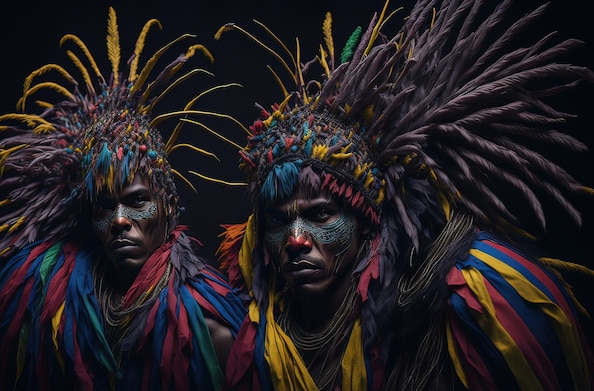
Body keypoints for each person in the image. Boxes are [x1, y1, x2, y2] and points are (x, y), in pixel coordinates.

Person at [214, 0, 594, 389]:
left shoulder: (456, 300)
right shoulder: (250, 329)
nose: (295, 240)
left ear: (366, 222)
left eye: (321, 214)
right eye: (278, 221)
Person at [0, 7, 246, 390]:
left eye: (136, 202)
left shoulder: (209, 330)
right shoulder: (47, 305)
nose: (118, 220)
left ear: (166, 205)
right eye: (103, 207)